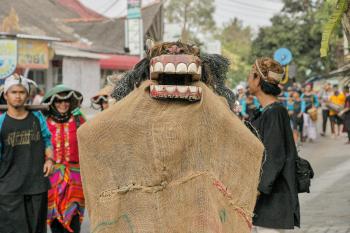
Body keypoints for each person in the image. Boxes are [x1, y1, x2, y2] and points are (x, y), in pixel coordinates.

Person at [247, 57, 300, 232]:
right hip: (263, 200)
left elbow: (275, 156)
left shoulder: (275, 112)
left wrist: (258, 189)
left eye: (250, 76)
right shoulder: (266, 111)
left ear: (258, 80)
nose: (248, 81)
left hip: (272, 200)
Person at [0, 74, 54, 233]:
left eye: (22, 92)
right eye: (13, 92)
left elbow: (47, 140)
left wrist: (49, 160)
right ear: (5, 95)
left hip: (36, 186)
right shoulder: (1, 122)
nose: (18, 96)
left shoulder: (37, 117)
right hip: (9, 190)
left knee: (37, 230)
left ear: (28, 95)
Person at [42, 84, 86, 233]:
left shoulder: (79, 120)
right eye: (58, 101)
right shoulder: (44, 123)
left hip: (75, 178)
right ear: (52, 104)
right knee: (55, 218)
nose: (63, 104)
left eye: (66, 101)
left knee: (74, 217)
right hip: (52, 177)